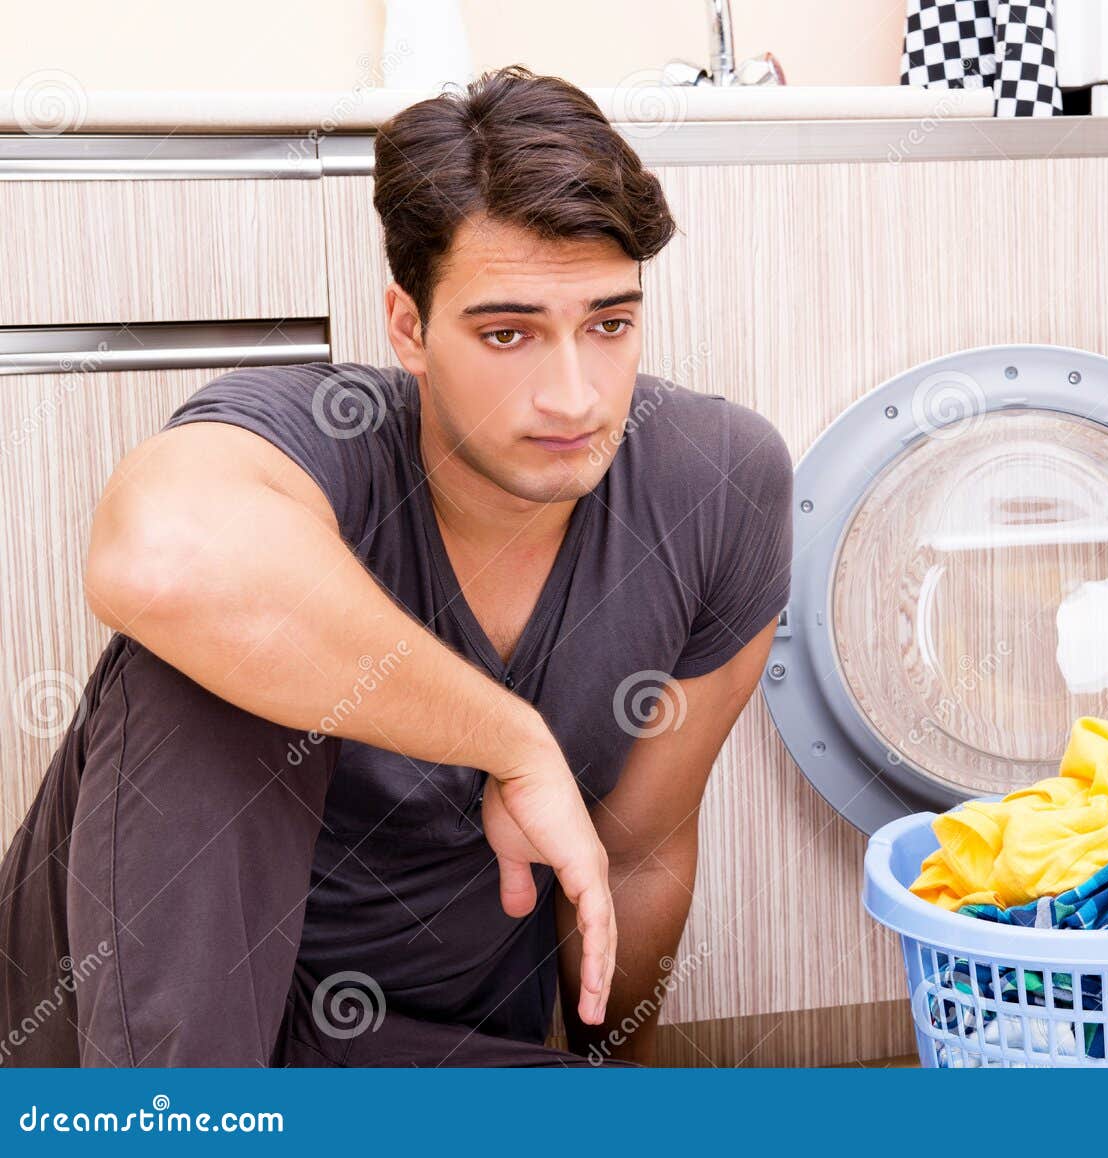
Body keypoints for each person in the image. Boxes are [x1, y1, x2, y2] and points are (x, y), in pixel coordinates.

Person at [0, 66, 793, 1067]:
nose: (573, 395)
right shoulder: (313, 436)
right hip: (132, 1048)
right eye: (507, 333)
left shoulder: (715, 484)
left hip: (404, 1057)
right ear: (410, 329)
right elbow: (159, 560)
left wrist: (608, 1079)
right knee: (201, 653)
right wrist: (514, 743)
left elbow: (636, 852)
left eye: (609, 324)